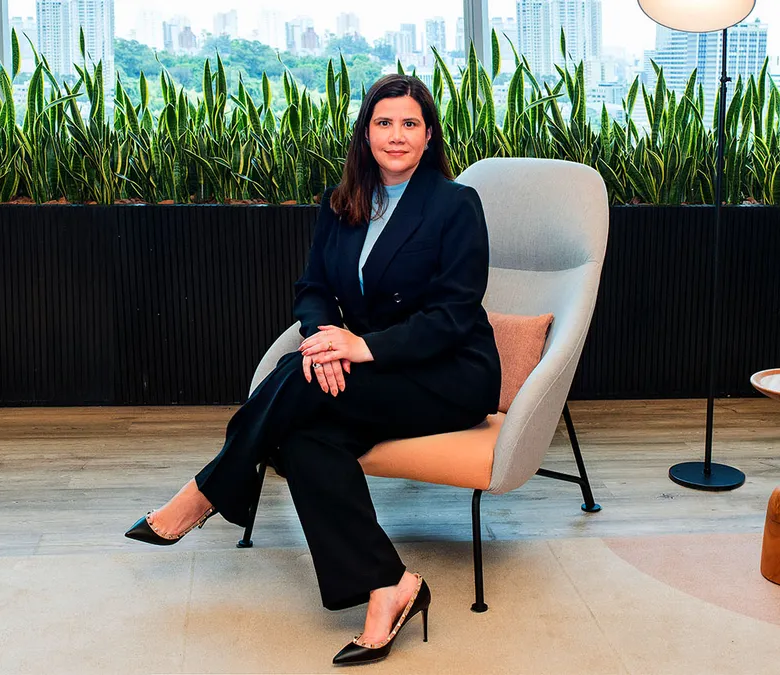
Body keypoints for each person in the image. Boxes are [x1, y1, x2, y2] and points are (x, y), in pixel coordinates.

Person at [124, 73, 501, 667]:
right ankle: (389, 587)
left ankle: (209, 490)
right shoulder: (340, 203)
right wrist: (326, 339)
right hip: (368, 369)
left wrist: (359, 349)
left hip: (450, 372)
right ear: (365, 133)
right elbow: (313, 290)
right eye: (384, 123)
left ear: (429, 136)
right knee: (304, 436)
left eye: (409, 124)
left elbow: (454, 314)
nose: (396, 135)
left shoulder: (456, 205)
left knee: (296, 376)